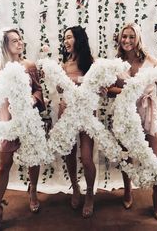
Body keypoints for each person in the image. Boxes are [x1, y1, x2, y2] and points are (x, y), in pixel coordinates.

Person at [107, 22, 157, 223]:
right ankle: (128, 192)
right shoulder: (116, 62)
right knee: (126, 156)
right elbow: (110, 88)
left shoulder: (150, 60)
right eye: (124, 36)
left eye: (131, 36)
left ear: (138, 39)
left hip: (148, 113)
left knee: (155, 157)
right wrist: (129, 91)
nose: (127, 40)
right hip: (126, 115)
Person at [0, 28, 45, 231]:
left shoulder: (29, 65)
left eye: (20, 40)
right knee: (4, 165)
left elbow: (38, 89)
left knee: (33, 159)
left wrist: (33, 98)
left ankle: (33, 191)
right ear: (4, 45)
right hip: (7, 122)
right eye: (14, 41)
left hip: (29, 121)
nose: (20, 43)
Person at [57, 25, 95, 218]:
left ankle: (90, 193)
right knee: (69, 155)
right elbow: (59, 89)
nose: (66, 41)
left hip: (87, 115)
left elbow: (97, 88)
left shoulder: (91, 62)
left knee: (87, 159)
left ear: (78, 39)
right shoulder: (64, 65)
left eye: (69, 37)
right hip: (68, 115)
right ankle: (75, 188)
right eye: (64, 38)